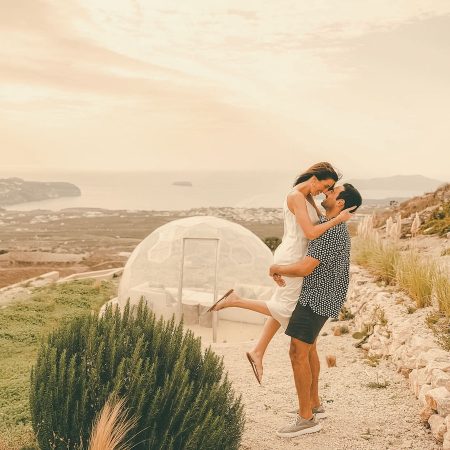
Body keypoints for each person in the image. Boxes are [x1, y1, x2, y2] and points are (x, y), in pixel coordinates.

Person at [208, 162, 355, 383]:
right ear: (314, 179)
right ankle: (235, 300)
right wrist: (338, 220)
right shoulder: (296, 196)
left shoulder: (307, 198)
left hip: (294, 255)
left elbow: (317, 226)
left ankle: (257, 351)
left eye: (329, 189)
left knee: (285, 306)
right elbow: (311, 232)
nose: (324, 192)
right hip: (293, 257)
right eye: (325, 186)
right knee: (288, 310)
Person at [272, 183, 362, 437]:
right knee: (309, 348)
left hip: (316, 298)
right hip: (321, 296)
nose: (326, 193)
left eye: (332, 192)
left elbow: (305, 268)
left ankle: (306, 419)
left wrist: (276, 267)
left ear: (341, 203)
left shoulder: (331, 232)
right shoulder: (332, 225)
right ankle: (313, 405)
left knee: (297, 352)